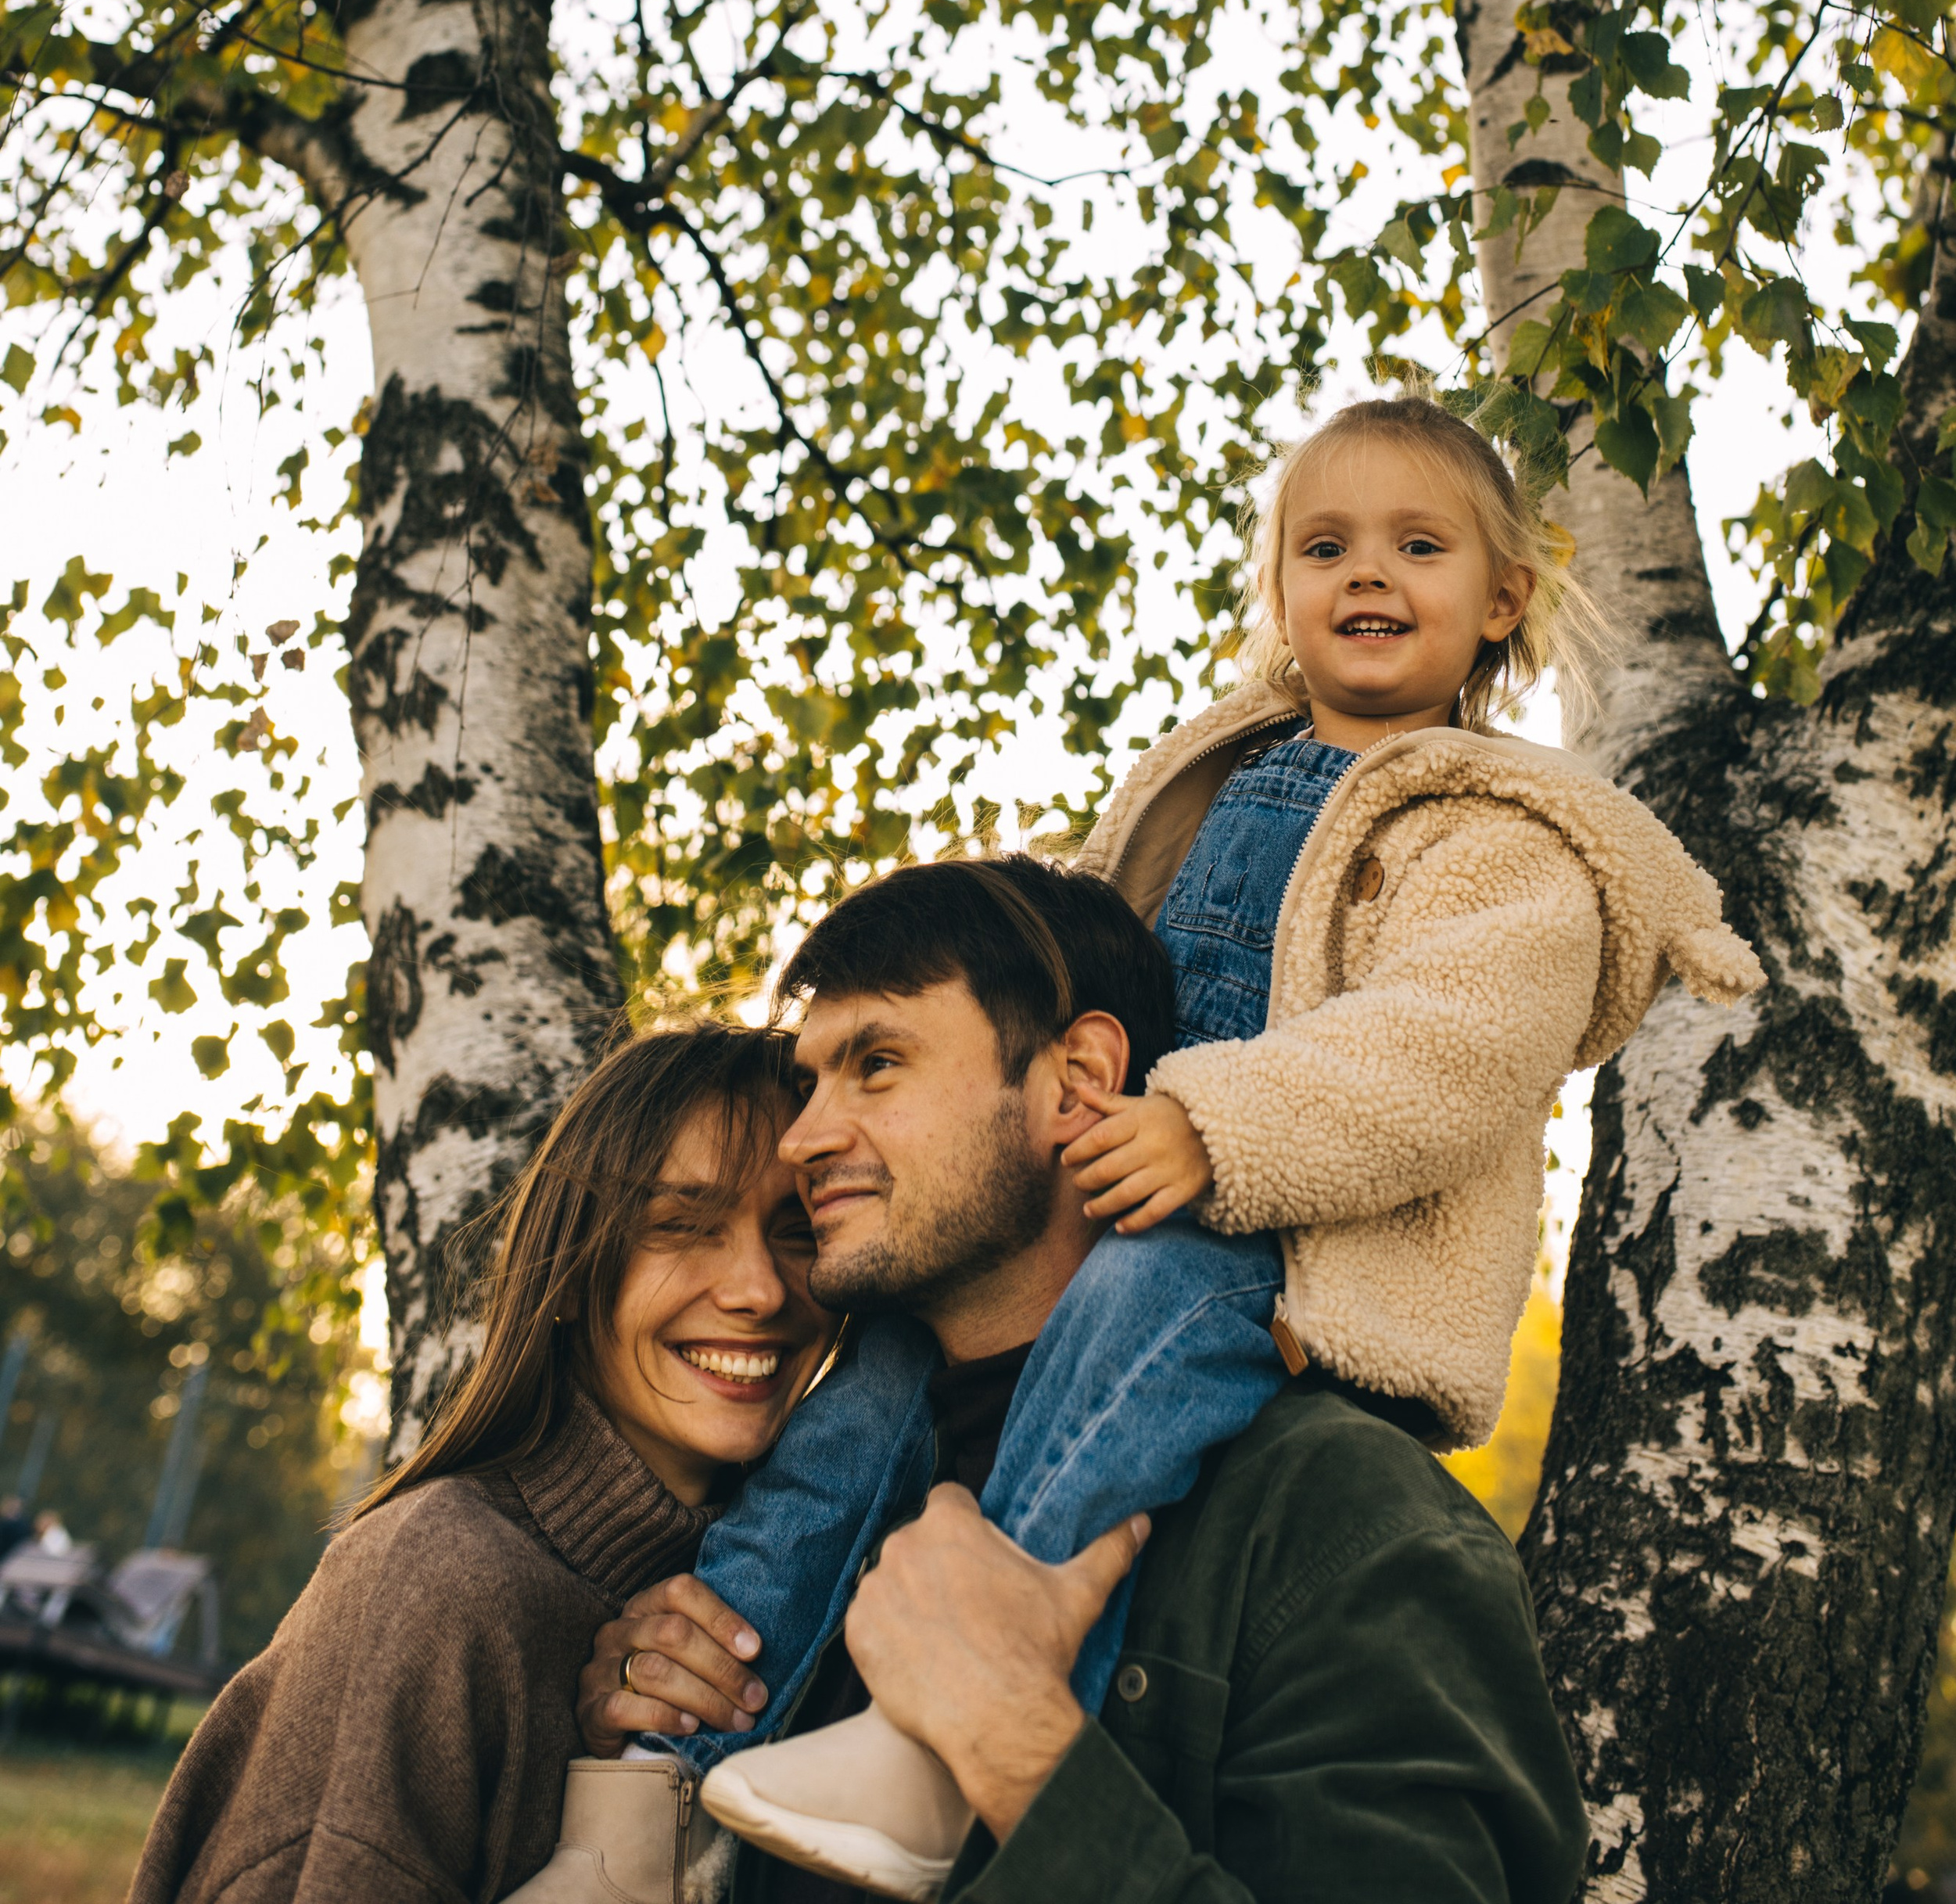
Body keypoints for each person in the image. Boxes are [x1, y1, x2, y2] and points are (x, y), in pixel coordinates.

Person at [597, 390, 1765, 1898]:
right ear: (1277, 590)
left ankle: (934, 1751)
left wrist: (1212, 1131)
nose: (1365, 577)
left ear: (1503, 602)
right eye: (1323, 546)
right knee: (857, 1397)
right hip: (1142, 1190)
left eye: (1418, 546)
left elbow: (1447, 1051)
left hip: (1278, 1244)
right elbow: (1077, 952)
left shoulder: (1504, 838)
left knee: (1140, 1303)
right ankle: (648, 1793)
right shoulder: (1208, 774)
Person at [580, 850, 1595, 1904]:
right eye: (808, 1080)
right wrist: (648, 1694)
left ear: (1080, 1083)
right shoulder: (799, 1497)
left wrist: (1022, 1753)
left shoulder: (1336, 1517)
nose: (804, 1139)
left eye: (877, 1064)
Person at [131, 1024, 837, 1904]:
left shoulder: (808, 1585)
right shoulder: (437, 1577)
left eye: (799, 1232)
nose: (760, 1290)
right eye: (684, 1226)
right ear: (573, 1274)